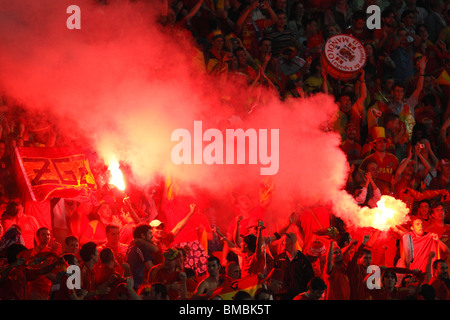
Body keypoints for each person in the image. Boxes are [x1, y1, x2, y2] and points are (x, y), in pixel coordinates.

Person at [273, 232, 314, 299]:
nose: (282, 243)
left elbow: (309, 279)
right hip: (282, 297)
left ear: (292, 241)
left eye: (284, 241)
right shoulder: (279, 259)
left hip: (298, 297)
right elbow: (273, 279)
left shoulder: (303, 260)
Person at [359, 127, 399, 195]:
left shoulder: (393, 159)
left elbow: (397, 177)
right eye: (379, 142)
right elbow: (360, 177)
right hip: (373, 194)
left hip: (389, 194)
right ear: (375, 144)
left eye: (384, 142)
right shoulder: (368, 160)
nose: (382, 144)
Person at [125, 223, 155, 291]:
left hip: (133, 286)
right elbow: (151, 268)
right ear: (143, 235)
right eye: (150, 233)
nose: (152, 236)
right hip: (137, 287)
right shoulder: (141, 248)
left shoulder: (134, 246)